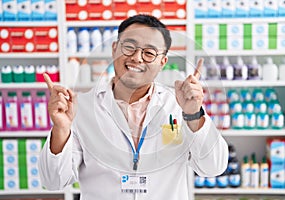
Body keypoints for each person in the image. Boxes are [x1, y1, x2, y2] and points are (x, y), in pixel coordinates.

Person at [38, 14, 228, 200]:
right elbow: (53, 181)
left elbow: (213, 167)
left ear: (162, 62)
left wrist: (193, 114)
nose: (137, 58)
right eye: (129, 47)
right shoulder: (81, 108)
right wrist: (61, 129)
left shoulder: (178, 106)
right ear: (114, 49)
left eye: (149, 53)